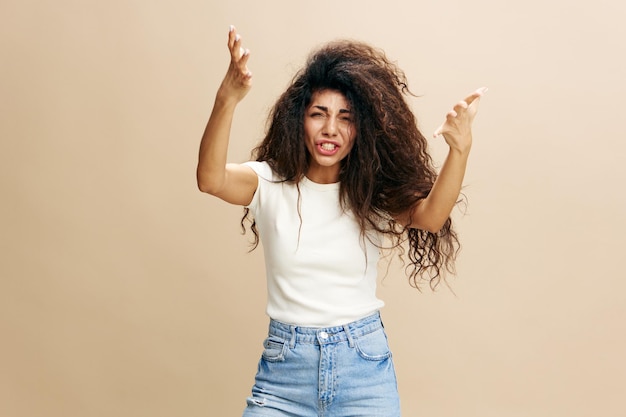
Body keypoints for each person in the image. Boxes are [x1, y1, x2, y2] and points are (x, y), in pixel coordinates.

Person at [197, 25, 486, 417]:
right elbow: (210, 179)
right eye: (319, 114)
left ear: (359, 130)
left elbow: (431, 217)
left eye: (344, 118)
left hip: (362, 370)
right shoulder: (268, 183)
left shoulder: (369, 192)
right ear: (299, 120)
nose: (330, 128)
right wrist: (226, 98)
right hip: (285, 375)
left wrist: (459, 150)